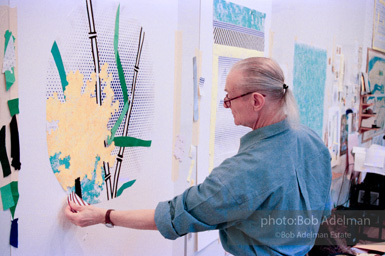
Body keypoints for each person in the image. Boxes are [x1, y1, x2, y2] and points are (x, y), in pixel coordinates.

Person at [65, 57, 332, 255]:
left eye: (229, 97)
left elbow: (175, 215)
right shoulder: (312, 142)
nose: (226, 105)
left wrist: (104, 215)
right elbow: (323, 210)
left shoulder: (247, 170)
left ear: (257, 101)